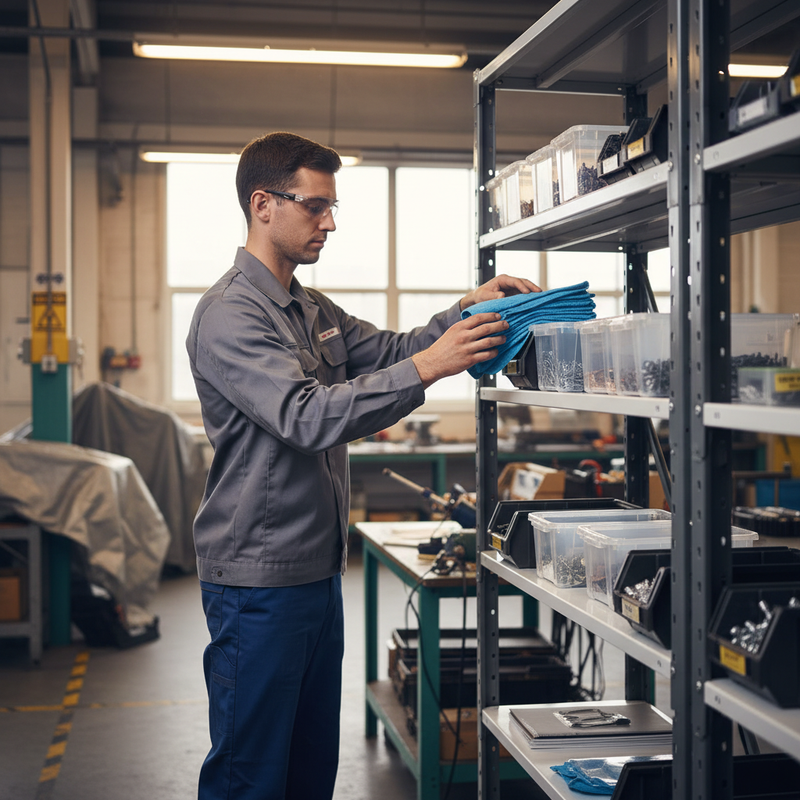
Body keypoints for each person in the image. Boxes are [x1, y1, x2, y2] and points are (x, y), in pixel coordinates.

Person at [186, 131, 540, 800]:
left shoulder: (311, 308)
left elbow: (389, 351)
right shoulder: (230, 313)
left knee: (311, 763)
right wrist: (433, 366)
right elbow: (306, 415)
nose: (329, 223)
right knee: (251, 773)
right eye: (315, 207)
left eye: (332, 207)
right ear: (263, 205)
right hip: (257, 582)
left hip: (318, 572)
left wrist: (465, 311)